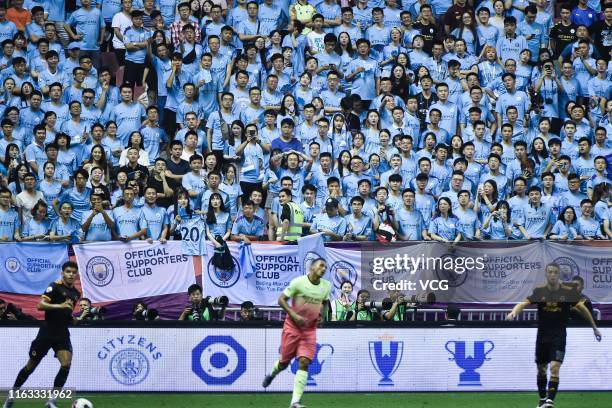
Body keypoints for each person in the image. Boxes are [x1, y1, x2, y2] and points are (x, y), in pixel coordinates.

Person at [507, 263, 602, 408]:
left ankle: (550, 402)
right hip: (542, 336)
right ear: (546, 274)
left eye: (555, 272)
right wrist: (514, 312)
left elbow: (582, 309)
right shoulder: (539, 292)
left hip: (559, 335)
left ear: (559, 275)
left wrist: (594, 328)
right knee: (541, 369)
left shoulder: (568, 292)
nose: (552, 275)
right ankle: (542, 398)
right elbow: (523, 303)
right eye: (550, 272)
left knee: (555, 367)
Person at [4, 262, 80, 408]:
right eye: (68, 272)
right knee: (30, 367)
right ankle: (11, 397)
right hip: (47, 332)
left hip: (62, 333)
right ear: (62, 273)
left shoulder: (76, 293)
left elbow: (66, 311)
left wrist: (71, 317)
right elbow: (40, 305)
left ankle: (51, 401)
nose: (71, 274)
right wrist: (60, 306)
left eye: (73, 272)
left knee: (66, 364)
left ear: (76, 275)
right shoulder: (54, 286)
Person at [262, 258, 331, 408]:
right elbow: (281, 300)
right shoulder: (298, 282)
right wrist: (293, 315)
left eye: (325, 267)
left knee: (304, 362)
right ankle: (272, 374)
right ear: (312, 267)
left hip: (310, 330)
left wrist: (322, 316)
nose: (324, 269)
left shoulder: (326, 286)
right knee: (284, 363)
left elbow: (325, 302)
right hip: (292, 328)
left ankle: (295, 402)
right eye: (321, 265)